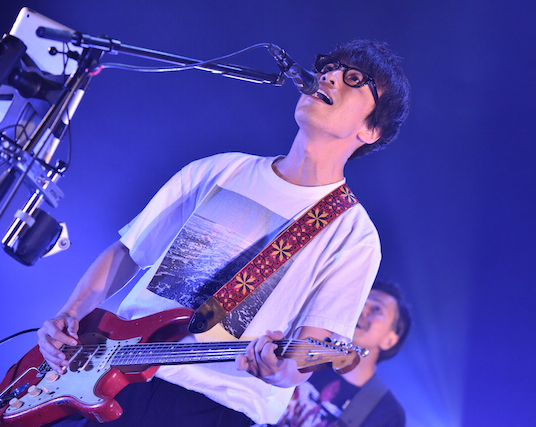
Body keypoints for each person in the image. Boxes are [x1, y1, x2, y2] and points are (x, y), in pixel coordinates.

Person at [36, 39, 411, 426]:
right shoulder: (221, 169)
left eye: (354, 79)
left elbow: (304, 356)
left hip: (213, 408)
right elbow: (128, 252)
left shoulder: (353, 235)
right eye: (329, 67)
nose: (330, 77)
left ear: (371, 129)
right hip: (116, 378)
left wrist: (276, 371)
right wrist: (70, 314)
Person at [266, 278, 411, 427]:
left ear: (389, 341)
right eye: (361, 302)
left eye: (376, 309)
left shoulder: (388, 413)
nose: (362, 310)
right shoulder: (304, 352)